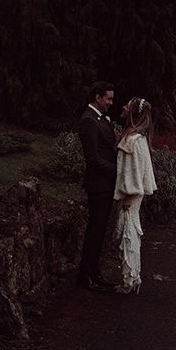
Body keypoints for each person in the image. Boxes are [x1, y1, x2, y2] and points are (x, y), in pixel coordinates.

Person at [113, 97, 157, 294]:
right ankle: (132, 277)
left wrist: (129, 196)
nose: (123, 107)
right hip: (132, 194)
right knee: (130, 234)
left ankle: (129, 281)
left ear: (133, 113)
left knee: (128, 235)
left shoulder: (133, 140)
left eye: (127, 106)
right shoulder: (138, 138)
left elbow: (133, 171)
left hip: (130, 195)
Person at [77, 81, 118, 291]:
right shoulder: (88, 121)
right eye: (108, 98)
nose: (111, 102)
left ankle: (93, 272)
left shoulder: (101, 119)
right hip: (98, 185)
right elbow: (92, 159)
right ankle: (86, 276)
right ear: (98, 98)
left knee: (100, 231)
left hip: (105, 184)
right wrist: (117, 171)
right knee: (95, 231)